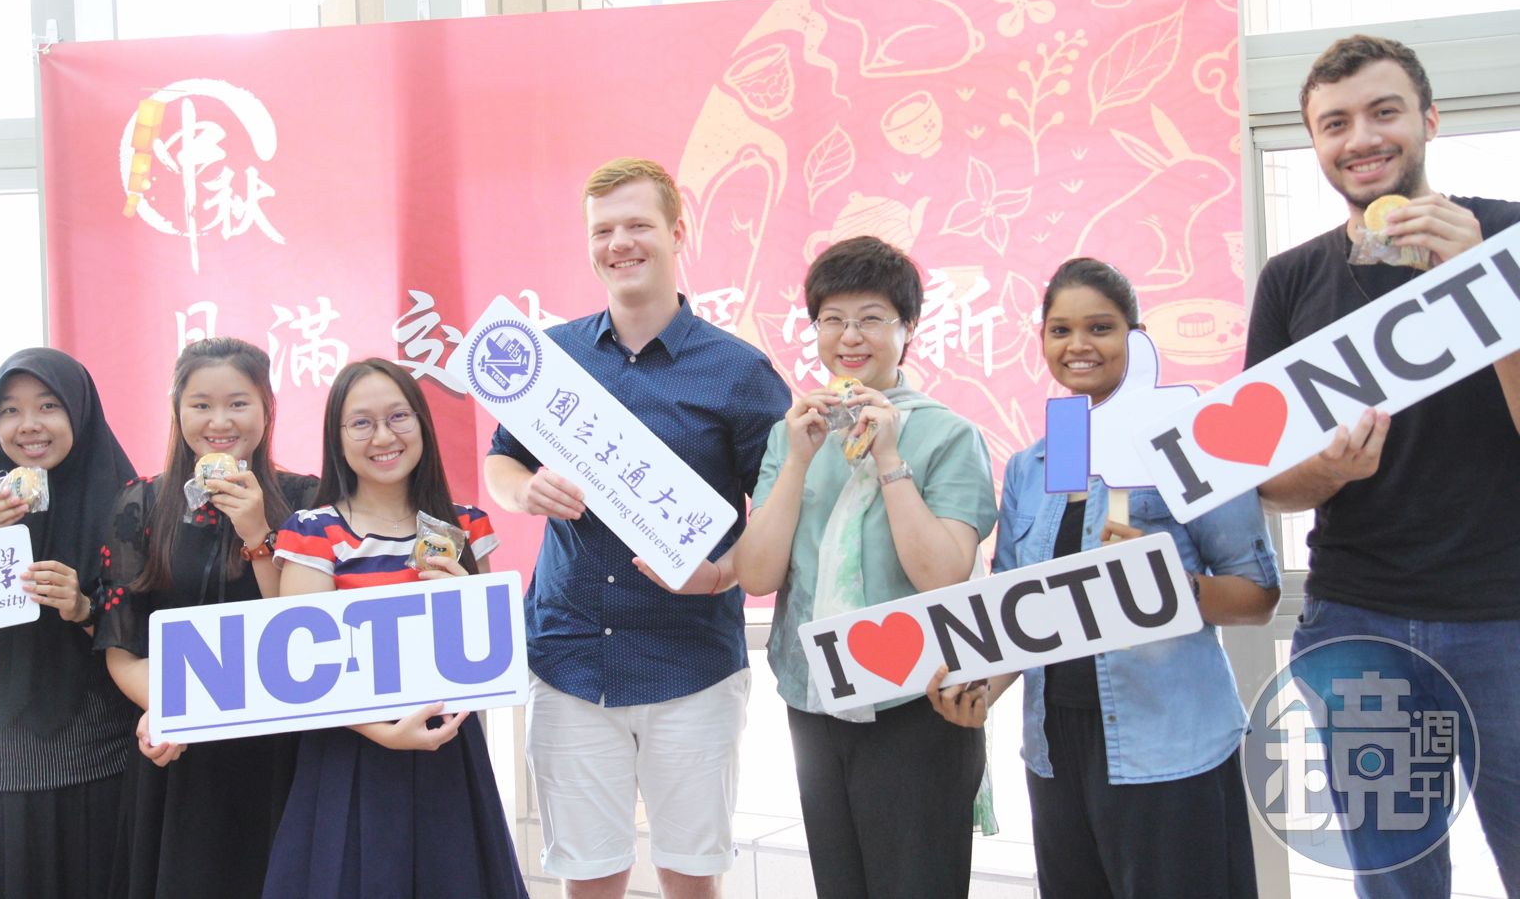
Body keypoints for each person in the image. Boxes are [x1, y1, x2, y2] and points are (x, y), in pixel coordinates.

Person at [1245, 34, 1520, 896]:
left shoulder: (1508, 237)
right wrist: (1328, 472)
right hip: (1359, 626)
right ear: (1315, 143)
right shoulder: (1291, 280)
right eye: (1335, 123)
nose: (1360, 138)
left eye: (1384, 112)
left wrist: (1484, 283)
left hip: (1507, 618)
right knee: (1397, 880)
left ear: (1430, 119)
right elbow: (1268, 481)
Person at [484, 157, 790, 899]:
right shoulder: (552, 357)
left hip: (691, 665)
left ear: (678, 233)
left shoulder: (740, 371)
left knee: (691, 875)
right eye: (603, 231)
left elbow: (782, 511)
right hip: (568, 658)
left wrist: (720, 573)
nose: (619, 244)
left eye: (637, 225)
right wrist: (525, 489)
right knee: (587, 878)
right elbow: (499, 461)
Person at [953, 258, 1280, 899]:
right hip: (1056, 751)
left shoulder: (1192, 443)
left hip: (1167, 744)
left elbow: (1258, 596)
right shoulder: (1035, 464)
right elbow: (1016, 610)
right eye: (1061, 330)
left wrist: (1172, 585)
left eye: (1100, 327)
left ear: (1138, 337)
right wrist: (979, 691)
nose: (1079, 345)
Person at [729, 236, 997, 898]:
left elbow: (943, 574)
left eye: (871, 318)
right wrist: (797, 461)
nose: (850, 336)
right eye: (833, 319)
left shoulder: (947, 434)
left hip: (918, 703)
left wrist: (889, 458)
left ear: (908, 328)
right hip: (814, 697)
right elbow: (757, 575)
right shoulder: (793, 432)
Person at [261, 358, 526, 898]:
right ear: (337, 438)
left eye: (398, 417)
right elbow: (301, 671)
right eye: (361, 423)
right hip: (348, 754)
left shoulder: (464, 524)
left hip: (447, 751)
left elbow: (489, 655)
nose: (383, 437)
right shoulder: (313, 531)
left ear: (422, 423)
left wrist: (466, 599)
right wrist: (383, 733)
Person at [95, 337, 318, 899]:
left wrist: (258, 534)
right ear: (178, 411)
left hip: (280, 747)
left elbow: (307, 627)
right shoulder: (142, 502)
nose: (220, 421)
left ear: (267, 408)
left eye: (238, 403)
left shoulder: (307, 500)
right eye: (201, 405)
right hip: (178, 749)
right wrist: (175, 710)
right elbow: (122, 643)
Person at [0, 349, 136, 898]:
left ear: (79, 414)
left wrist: (84, 608)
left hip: (96, 764)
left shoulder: (129, 508)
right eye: (10, 410)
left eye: (48, 406)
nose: (29, 425)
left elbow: (156, 630)